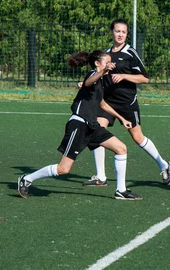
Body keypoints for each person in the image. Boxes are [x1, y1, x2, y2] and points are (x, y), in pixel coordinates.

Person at [17, 50, 142, 200]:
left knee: (121, 148)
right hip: (79, 125)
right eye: (107, 62)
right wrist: (103, 71)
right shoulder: (92, 75)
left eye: (110, 63)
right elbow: (89, 81)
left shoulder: (101, 81)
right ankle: (27, 179)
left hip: (93, 126)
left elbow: (102, 104)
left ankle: (121, 190)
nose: (110, 65)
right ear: (97, 64)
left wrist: (121, 118)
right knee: (63, 169)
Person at [82, 19, 170, 187]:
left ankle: (163, 165)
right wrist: (88, 83)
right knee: (96, 132)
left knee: (138, 138)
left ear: (127, 34)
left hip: (127, 104)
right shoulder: (106, 54)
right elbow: (99, 73)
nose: (120, 34)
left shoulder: (130, 53)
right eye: (117, 31)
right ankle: (101, 176)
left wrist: (124, 76)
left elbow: (145, 78)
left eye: (123, 32)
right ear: (112, 32)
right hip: (107, 103)